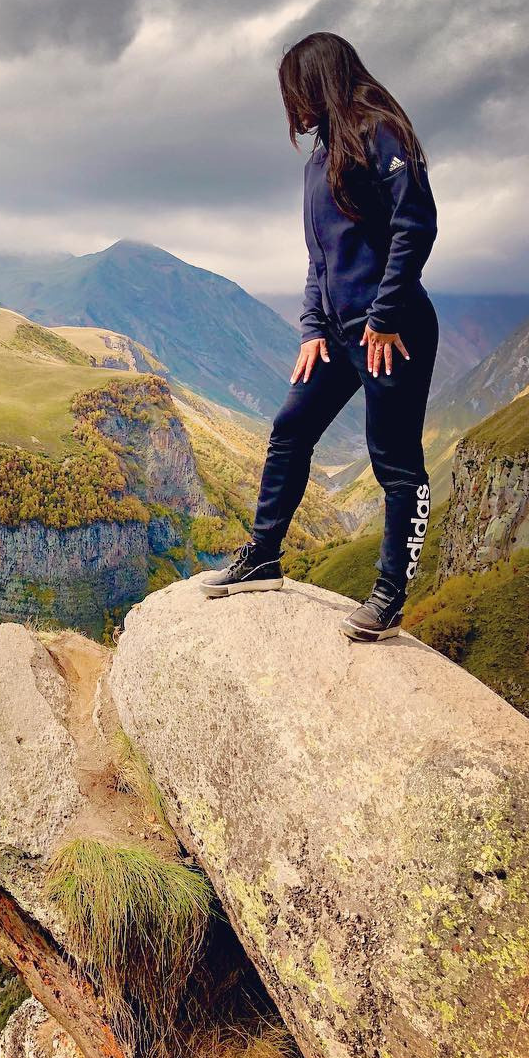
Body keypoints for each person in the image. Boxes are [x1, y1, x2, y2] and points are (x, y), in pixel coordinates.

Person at [201, 32, 438, 643]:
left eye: (295, 91)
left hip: (391, 332)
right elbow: (320, 258)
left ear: (319, 81)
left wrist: (385, 316)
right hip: (337, 333)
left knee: (395, 461)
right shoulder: (321, 155)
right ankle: (263, 557)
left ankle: (389, 596)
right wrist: (312, 328)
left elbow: (416, 226)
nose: (291, 107)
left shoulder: (381, 132)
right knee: (290, 428)